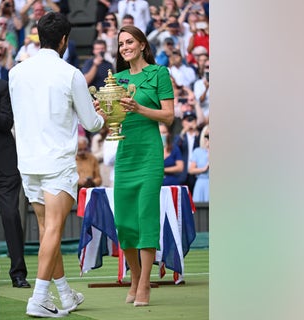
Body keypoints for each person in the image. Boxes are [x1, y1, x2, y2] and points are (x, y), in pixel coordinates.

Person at [8, 12, 107, 318]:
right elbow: (91, 123)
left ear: (39, 36)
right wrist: (101, 114)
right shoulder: (71, 74)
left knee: (46, 228)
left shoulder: (15, 72)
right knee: (52, 229)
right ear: (64, 40)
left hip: (27, 162)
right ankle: (38, 299)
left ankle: (65, 295)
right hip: (57, 164)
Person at [96, 25, 174, 307]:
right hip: (125, 154)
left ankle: (143, 285)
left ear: (142, 44)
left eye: (129, 42)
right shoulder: (115, 79)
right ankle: (135, 277)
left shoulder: (159, 73)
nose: (125, 47)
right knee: (125, 222)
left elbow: (168, 116)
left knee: (146, 217)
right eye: (121, 44)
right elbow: (112, 123)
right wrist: (103, 113)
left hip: (150, 154)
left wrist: (139, 108)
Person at [0, 79, 30, 289]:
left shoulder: (2, 86)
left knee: (11, 216)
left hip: (4, 168)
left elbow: (6, 122)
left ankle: (18, 273)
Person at [174, 110, 201, 193]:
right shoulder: (179, 136)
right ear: (182, 122)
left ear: (196, 121)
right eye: (187, 120)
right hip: (183, 173)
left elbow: (203, 146)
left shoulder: (199, 136)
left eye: (191, 120)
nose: (189, 122)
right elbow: (175, 148)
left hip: (196, 172)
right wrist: (183, 132)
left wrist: (197, 131)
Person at [188, 125, 209, 202]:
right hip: (201, 183)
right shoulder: (198, 151)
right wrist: (203, 169)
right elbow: (191, 170)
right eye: (207, 136)